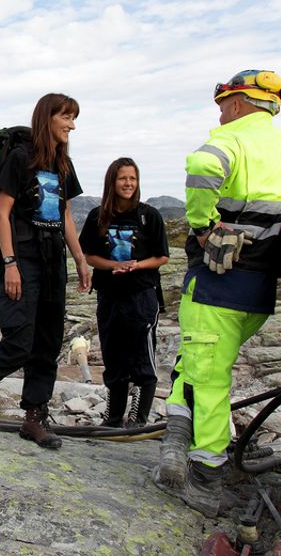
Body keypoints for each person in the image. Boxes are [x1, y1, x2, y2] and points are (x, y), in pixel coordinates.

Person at [152, 70, 281, 517]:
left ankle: (205, 478)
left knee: (208, 380)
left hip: (217, 287)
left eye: (224, 104)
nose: (221, 113)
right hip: (258, 293)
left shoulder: (233, 141)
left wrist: (206, 227)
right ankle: (174, 441)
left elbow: (203, 166)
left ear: (241, 103)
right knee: (198, 361)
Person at [0, 93, 91, 449]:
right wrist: (9, 264)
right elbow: (2, 213)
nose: (71, 124)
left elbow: (66, 215)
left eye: (73, 118)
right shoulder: (21, 159)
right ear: (47, 118)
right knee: (20, 342)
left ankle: (34, 417)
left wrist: (81, 259)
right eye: (66, 117)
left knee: (48, 341)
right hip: (23, 258)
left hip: (54, 260)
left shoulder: (62, 163)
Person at [79, 158, 169, 428]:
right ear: (112, 182)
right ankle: (114, 417)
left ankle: (138, 419)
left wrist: (135, 266)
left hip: (142, 295)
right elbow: (90, 255)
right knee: (113, 355)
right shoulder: (98, 216)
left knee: (142, 355)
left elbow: (162, 257)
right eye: (122, 179)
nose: (128, 184)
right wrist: (114, 266)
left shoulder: (149, 215)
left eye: (133, 178)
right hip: (109, 294)